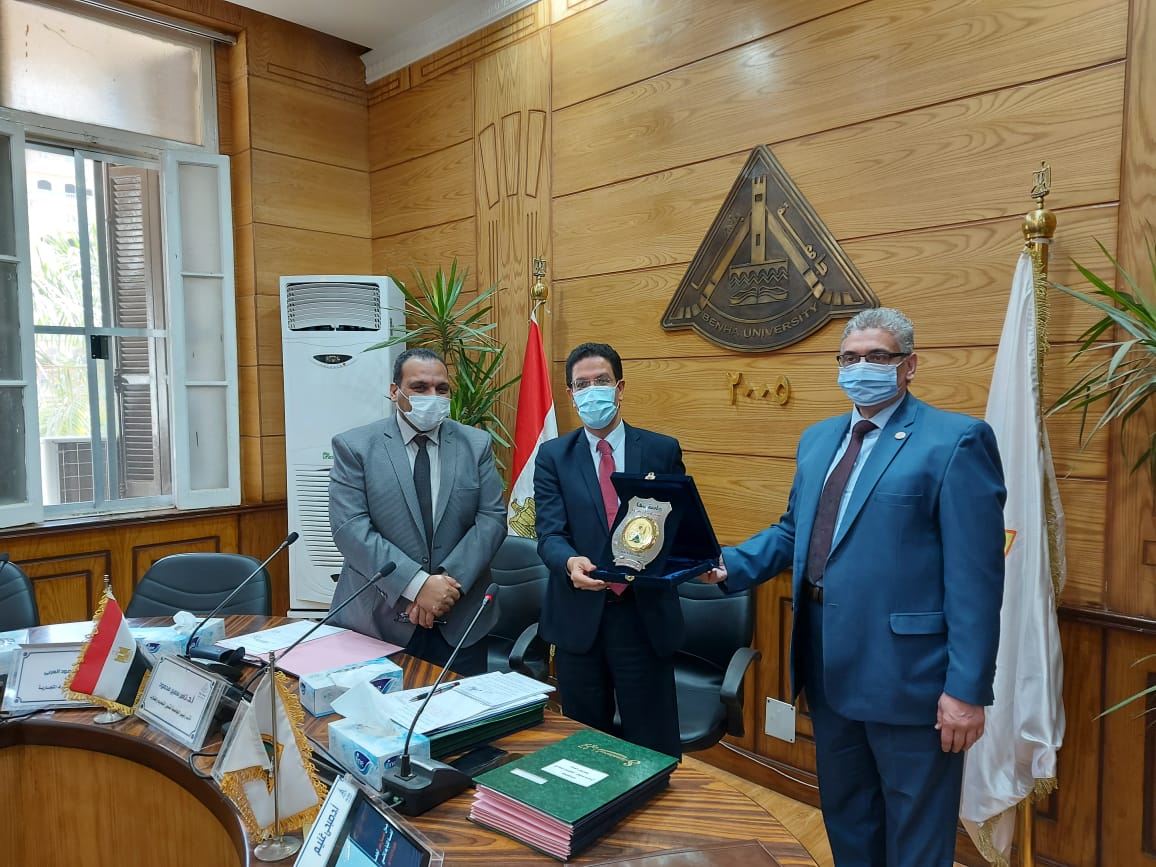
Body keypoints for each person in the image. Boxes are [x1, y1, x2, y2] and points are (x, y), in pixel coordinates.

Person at [703, 308, 1006, 867]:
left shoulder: (956, 441)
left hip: (910, 676)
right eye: (850, 357)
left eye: (877, 356)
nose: (861, 366)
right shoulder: (819, 439)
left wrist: (966, 691)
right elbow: (794, 531)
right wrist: (728, 565)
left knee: (916, 832)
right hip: (826, 663)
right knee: (847, 815)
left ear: (909, 365)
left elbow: (977, 579)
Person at [534, 342, 686, 759]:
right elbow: (549, 534)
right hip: (579, 618)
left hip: (643, 616)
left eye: (601, 381)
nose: (592, 391)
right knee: (586, 746)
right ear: (570, 395)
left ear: (619, 388)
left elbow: (679, 527)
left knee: (652, 747)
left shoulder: (661, 450)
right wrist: (569, 561)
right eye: (581, 384)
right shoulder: (553, 456)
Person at [328, 347, 506, 675]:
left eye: (442, 388)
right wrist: (416, 585)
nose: (432, 396)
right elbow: (350, 528)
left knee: (460, 707)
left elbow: (491, 519)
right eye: (419, 387)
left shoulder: (476, 444)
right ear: (394, 391)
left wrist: (443, 588)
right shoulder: (355, 447)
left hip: (460, 621)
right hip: (377, 621)